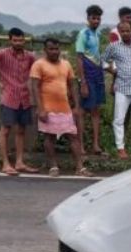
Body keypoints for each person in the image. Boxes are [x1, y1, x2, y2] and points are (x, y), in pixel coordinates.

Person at [0, 27, 38, 175]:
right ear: (10, 40)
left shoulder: (29, 56)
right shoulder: (2, 54)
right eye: (15, 40)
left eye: (21, 40)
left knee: (21, 130)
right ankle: (5, 163)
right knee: (5, 130)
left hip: (24, 97)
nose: (18, 43)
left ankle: (19, 162)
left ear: (24, 40)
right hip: (9, 97)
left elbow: (37, 69)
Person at [30, 38, 92, 177]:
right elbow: (35, 87)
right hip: (47, 108)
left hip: (65, 108)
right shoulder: (38, 65)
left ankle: (80, 168)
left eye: (56, 48)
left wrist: (76, 106)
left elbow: (73, 85)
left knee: (73, 137)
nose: (54, 51)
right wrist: (40, 109)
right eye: (51, 49)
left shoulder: (66, 64)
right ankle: (53, 167)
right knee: (49, 138)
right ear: (45, 50)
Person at [102, 22, 131, 159]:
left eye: (128, 31)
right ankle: (120, 148)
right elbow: (103, 61)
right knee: (119, 119)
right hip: (122, 88)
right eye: (122, 31)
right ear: (119, 32)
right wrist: (113, 71)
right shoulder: (114, 47)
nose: (125, 33)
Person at [75, 5, 106, 156]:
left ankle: (95, 145)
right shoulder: (83, 34)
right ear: (88, 18)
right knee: (82, 111)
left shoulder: (98, 34)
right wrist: (83, 82)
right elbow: (79, 58)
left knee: (96, 109)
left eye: (98, 18)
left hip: (98, 73)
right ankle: (80, 146)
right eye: (93, 18)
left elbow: (98, 54)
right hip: (87, 73)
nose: (96, 21)